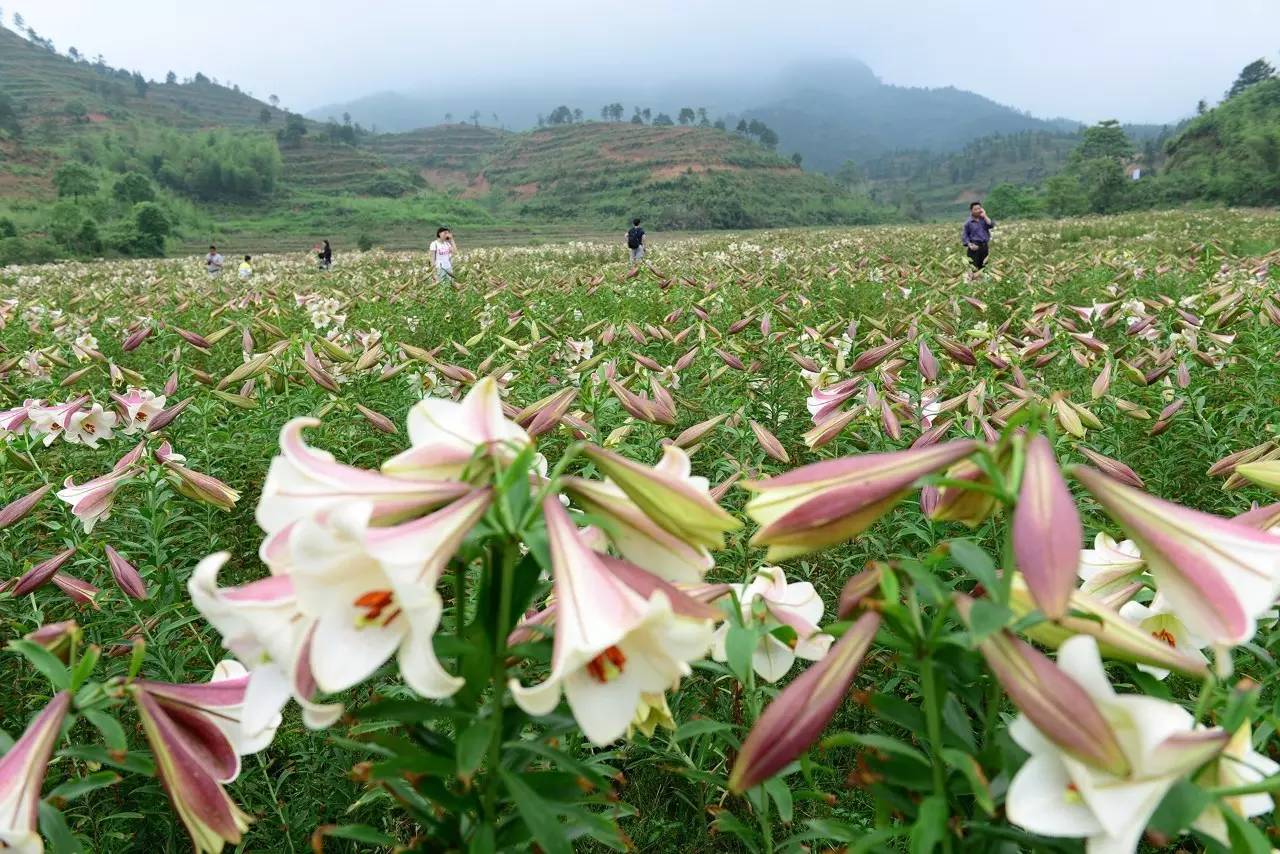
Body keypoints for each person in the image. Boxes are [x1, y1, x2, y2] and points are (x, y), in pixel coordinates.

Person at [962, 202, 995, 272]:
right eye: (975, 209)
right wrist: (969, 245)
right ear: (971, 211)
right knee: (974, 268)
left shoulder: (984, 219)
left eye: (979, 209)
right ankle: (974, 282)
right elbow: (965, 236)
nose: (978, 210)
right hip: (974, 247)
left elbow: (991, 225)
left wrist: (985, 215)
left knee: (985, 267)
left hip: (984, 246)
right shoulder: (968, 222)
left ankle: (984, 281)